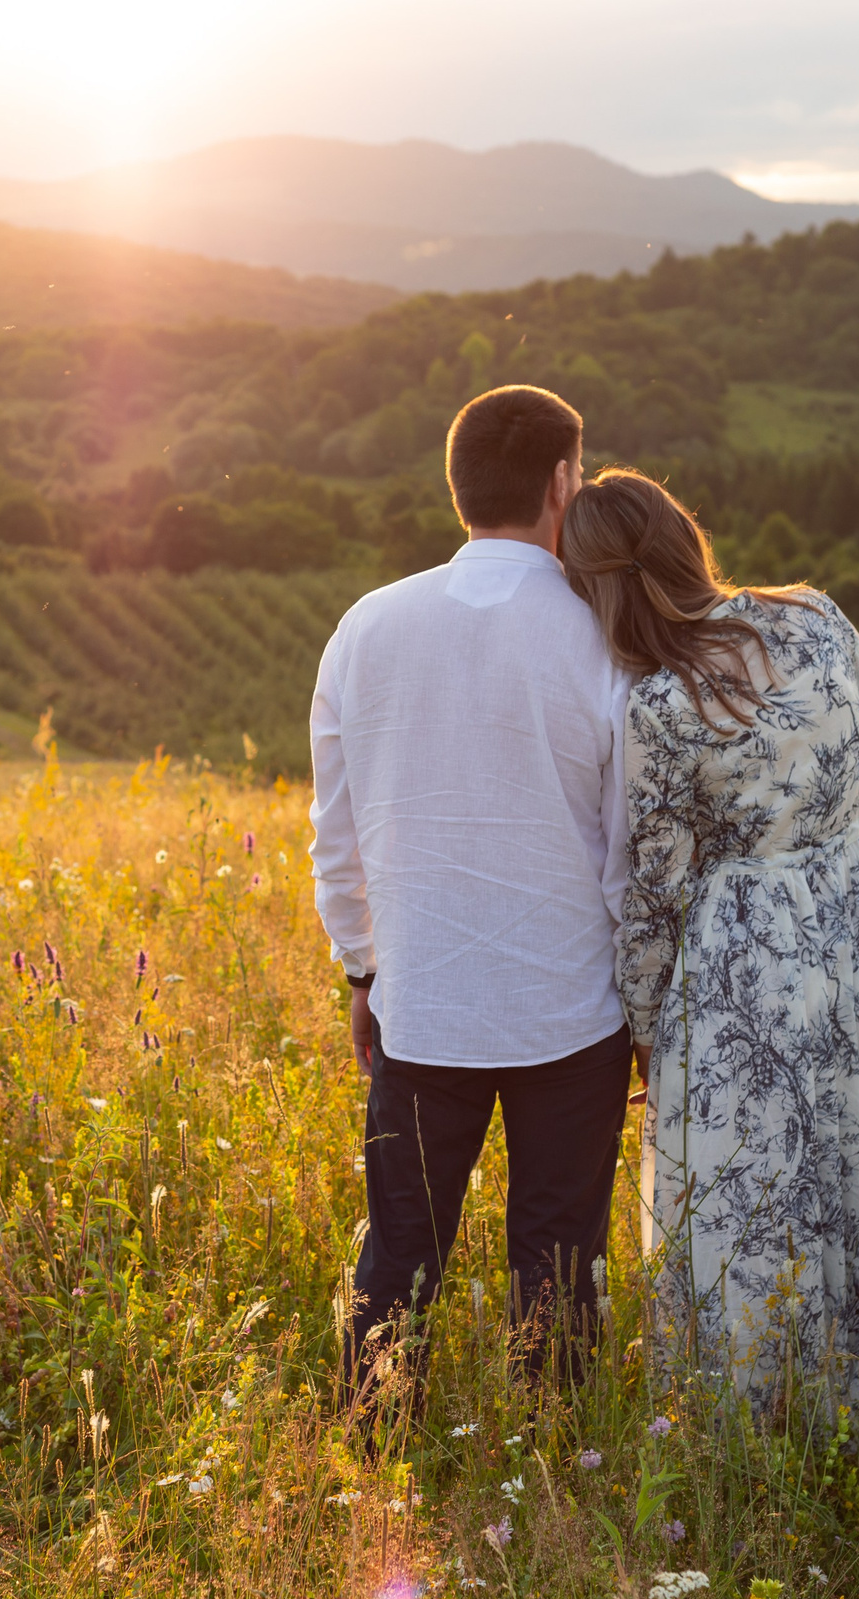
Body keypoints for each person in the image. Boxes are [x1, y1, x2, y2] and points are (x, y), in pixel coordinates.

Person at [557, 469, 859, 1413]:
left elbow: (657, 887)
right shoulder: (816, 612)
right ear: (681, 536)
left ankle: (770, 1410)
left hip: (752, 961)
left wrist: (646, 1028)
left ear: (602, 593)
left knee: (765, 1186)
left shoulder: (660, 707)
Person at [309, 384, 635, 1407]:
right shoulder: (605, 633)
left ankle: (368, 1451)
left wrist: (362, 968)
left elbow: (336, 835)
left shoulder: (365, 627)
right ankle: (555, 1467)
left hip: (423, 1001)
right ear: (560, 482)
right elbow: (630, 848)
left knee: (398, 1252)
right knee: (558, 1261)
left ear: (456, 488)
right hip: (572, 1009)